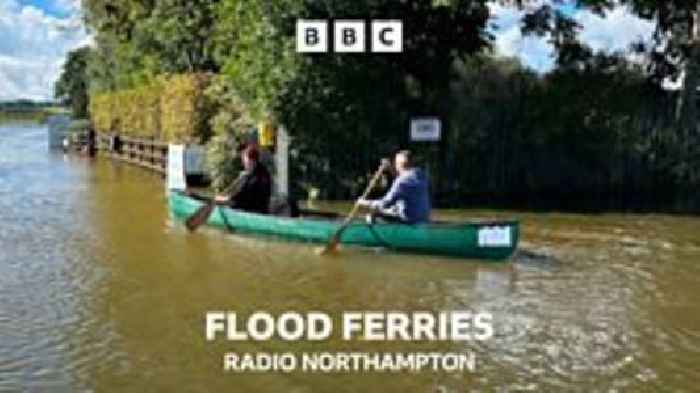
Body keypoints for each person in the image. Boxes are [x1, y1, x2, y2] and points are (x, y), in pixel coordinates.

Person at [358, 150, 431, 224]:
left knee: (372, 214)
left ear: (398, 165)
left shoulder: (401, 181)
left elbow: (384, 203)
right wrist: (390, 168)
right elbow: (403, 180)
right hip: (423, 219)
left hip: (409, 220)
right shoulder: (421, 175)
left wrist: (363, 202)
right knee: (392, 209)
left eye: (395, 164)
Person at [215, 144, 272, 214]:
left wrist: (219, 200)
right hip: (260, 209)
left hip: (252, 211)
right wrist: (240, 179)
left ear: (251, 160)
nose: (243, 164)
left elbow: (237, 199)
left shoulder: (255, 179)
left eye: (244, 160)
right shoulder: (261, 171)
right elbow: (236, 194)